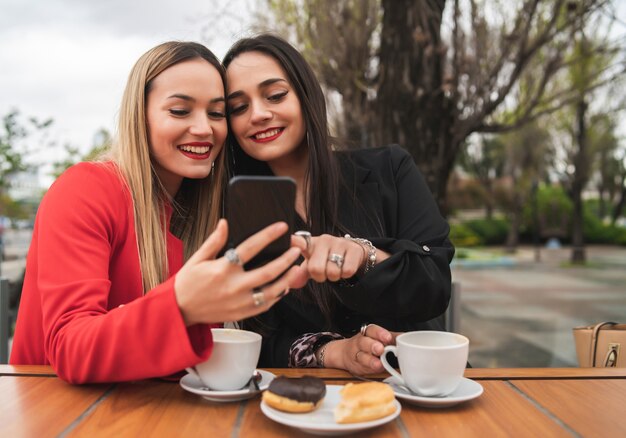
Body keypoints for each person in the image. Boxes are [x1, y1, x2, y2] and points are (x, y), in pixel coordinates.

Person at [10, 41, 301, 384]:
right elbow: (69, 347)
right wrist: (179, 306)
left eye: (216, 113)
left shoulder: (207, 214)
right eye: (180, 111)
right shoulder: (86, 189)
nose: (204, 128)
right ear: (140, 116)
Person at [223, 34, 455, 375]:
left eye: (275, 95)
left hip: (424, 386)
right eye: (238, 107)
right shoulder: (238, 210)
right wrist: (333, 353)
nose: (258, 114)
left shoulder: (389, 168)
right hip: (309, 403)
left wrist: (363, 256)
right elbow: (260, 338)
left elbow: (433, 284)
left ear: (306, 96)